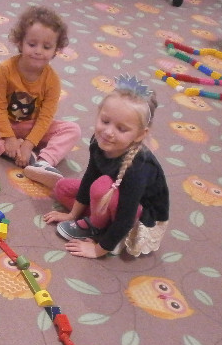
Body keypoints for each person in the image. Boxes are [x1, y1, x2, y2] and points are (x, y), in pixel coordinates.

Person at [43, 75, 169, 259]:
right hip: (110, 196)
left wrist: (98, 250)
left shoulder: (138, 168)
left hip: (137, 216)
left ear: (140, 134)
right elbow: (89, 177)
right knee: (62, 188)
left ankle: (99, 229)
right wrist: (72, 215)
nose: (108, 132)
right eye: (105, 121)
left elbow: (126, 216)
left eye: (122, 129)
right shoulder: (98, 141)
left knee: (101, 186)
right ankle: (102, 222)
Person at [0, 6, 81, 188]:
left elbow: (45, 117)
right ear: (20, 42)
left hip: (32, 125)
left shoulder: (53, 80)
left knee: (73, 130)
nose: (38, 51)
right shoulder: (5, 69)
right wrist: (9, 138)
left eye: (47, 47)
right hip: (3, 122)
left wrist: (29, 144)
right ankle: (7, 150)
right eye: (32, 44)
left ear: (56, 50)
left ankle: (43, 163)